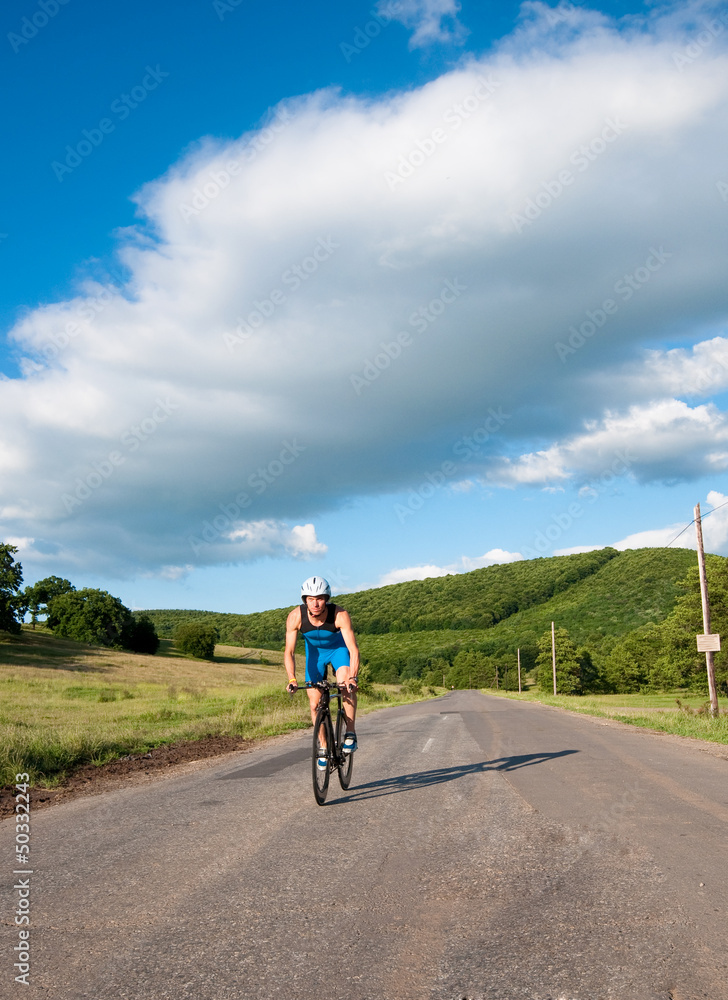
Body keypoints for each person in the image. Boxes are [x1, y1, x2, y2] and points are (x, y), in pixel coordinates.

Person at [284, 576, 360, 762]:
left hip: (338, 651)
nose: (315, 603)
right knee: (314, 704)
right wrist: (292, 679)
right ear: (305, 600)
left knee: (344, 685)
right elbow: (289, 652)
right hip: (315, 654)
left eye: (319, 598)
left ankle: (350, 733)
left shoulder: (339, 615)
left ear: (326, 598)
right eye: (311, 599)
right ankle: (324, 748)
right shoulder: (295, 617)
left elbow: (353, 649)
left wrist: (353, 677)